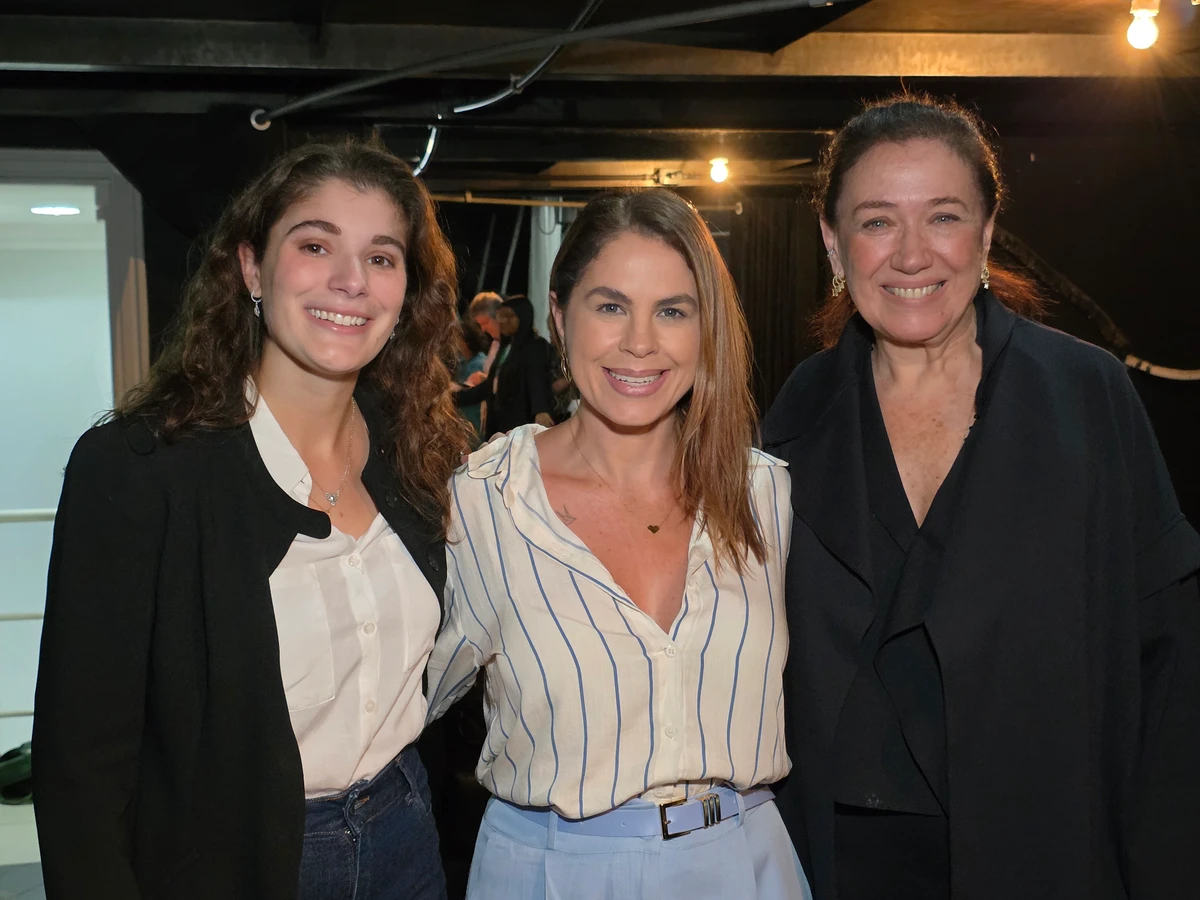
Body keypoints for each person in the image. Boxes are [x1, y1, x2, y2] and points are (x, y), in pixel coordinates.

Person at [762, 94, 1200, 900]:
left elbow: (1168, 660)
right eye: (877, 221)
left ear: (989, 231)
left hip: (1042, 843)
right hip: (840, 858)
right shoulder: (800, 406)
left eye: (944, 216)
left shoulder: (1086, 396)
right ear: (833, 240)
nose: (912, 254)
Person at [32, 138, 471, 900]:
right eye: (314, 244)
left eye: (381, 257)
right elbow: (81, 772)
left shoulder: (419, 456)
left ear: (406, 297)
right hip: (233, 862)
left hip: (407, 835)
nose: (349, 281)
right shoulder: (140, 468)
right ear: (250, 268)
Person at [427, 188, 811, 899]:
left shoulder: (768, 497)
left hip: (745, 868)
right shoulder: (484, 502)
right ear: (558, 315)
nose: (641, 340)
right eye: (610, 306)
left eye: (672, 310)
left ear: (706, 331)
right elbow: (392, 703)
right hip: (549, 871)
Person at [454, 293, 556, 437]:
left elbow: (536, 379)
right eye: (500, 316)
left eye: (508, 316)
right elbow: (490, 386)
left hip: (520, 425)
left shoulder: (534, 346)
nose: (502, 321)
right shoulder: (505, 348)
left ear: (522, 318)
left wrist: (540, 410)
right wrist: (455, 397)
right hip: (499, 423)